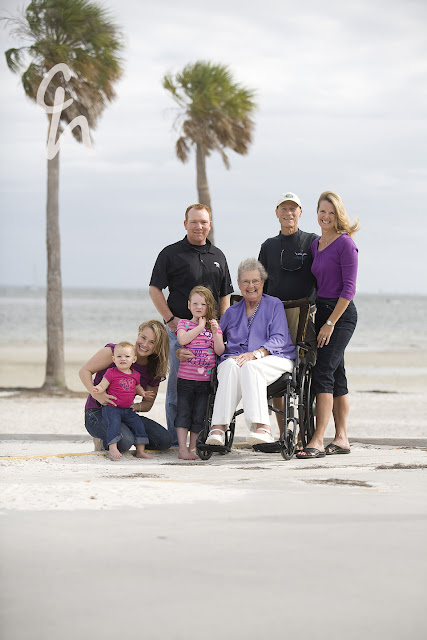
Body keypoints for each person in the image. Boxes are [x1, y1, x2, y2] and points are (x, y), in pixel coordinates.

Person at [149, 204, 233, 445]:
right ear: (185, 224)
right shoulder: (171, 253)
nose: (199, 226)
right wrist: (169, 319)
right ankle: (177, 442)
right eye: (194, 222)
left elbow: (224, 295)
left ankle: (205, 436)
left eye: (204, 222)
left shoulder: (218, 256)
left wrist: (222, 327)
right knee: (178, 387)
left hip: (211, 334)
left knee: (209, 385)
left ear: (210, 225)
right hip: (181, 333)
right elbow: (154, 289)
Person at [205, 258, 296, 447]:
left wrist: (256, 354)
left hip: (275, 357)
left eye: (255, 281)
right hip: (239, 360)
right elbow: (218, 341)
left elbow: (279, 338)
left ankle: (262, 427)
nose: (251, 285)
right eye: (245, 281)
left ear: (263, 282)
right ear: (239, 284)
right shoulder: (231, 312)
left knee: (251, 367)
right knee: (229, 365)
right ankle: (218, 428)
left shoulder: (274, 305)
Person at [297, 190, 359, 459]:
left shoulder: (346, 244)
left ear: (339, 215)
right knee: (337, 374)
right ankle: (342, 438)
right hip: (321, 312)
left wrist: (331, 322)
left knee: (322, 372)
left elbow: (349, 289)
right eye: (322, 211)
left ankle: (318, 440)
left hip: (341, 315)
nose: (326, 216)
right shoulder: (317, 244)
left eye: (332, 213)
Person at [258, 192, 318, 438]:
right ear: (277, 213)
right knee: (276, 378)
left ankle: (304, 433)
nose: (288, 213)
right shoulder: (268, 246)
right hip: (275, 315)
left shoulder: (311, 242)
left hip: (305, 315)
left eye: (293, 209)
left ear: (300, 213)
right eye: (284, 208)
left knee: (304, 377)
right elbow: (260, 284)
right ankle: (284, 434)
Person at [80, 320, 173, 454]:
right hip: (97, 413)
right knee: (124, 442)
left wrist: (134, 407)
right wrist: (97, 395)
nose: (145, 344)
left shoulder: (154, 369)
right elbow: (84, 371)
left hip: (126, 413)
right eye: (143, 338)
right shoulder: (115, 352)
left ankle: (126, 432)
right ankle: (101, 440)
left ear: (158, 346)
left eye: (152, 342)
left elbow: (147, 404)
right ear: (138, 334)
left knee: (164, 440)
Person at [175, 286, 225, 459]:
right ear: (189, 305)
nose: (198, 307)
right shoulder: (184, 323)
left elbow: (219, 350)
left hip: (205, 381)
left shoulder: (213, 327)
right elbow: (182, 339)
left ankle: (193, 447)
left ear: (208, 306)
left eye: (203, 304)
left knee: (199, 415)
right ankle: (182, 448)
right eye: (195, 303)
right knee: (183, 413)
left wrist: (216, 332)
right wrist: (200, 326)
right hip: (186, 379)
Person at [92, 342, 153, 461]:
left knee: (138, 425)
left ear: (134, 359)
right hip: (112, 408)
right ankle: (112, 447)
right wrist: (98, 389)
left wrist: (143, 393)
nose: (123, 359)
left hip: (128, 409)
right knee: (114, 424)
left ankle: (140, 450)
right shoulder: (111, 372)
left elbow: (137, 386)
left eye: (127, 356)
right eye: (119, 356)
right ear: (113, 359)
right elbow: (103, 384)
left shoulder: (135, 375)